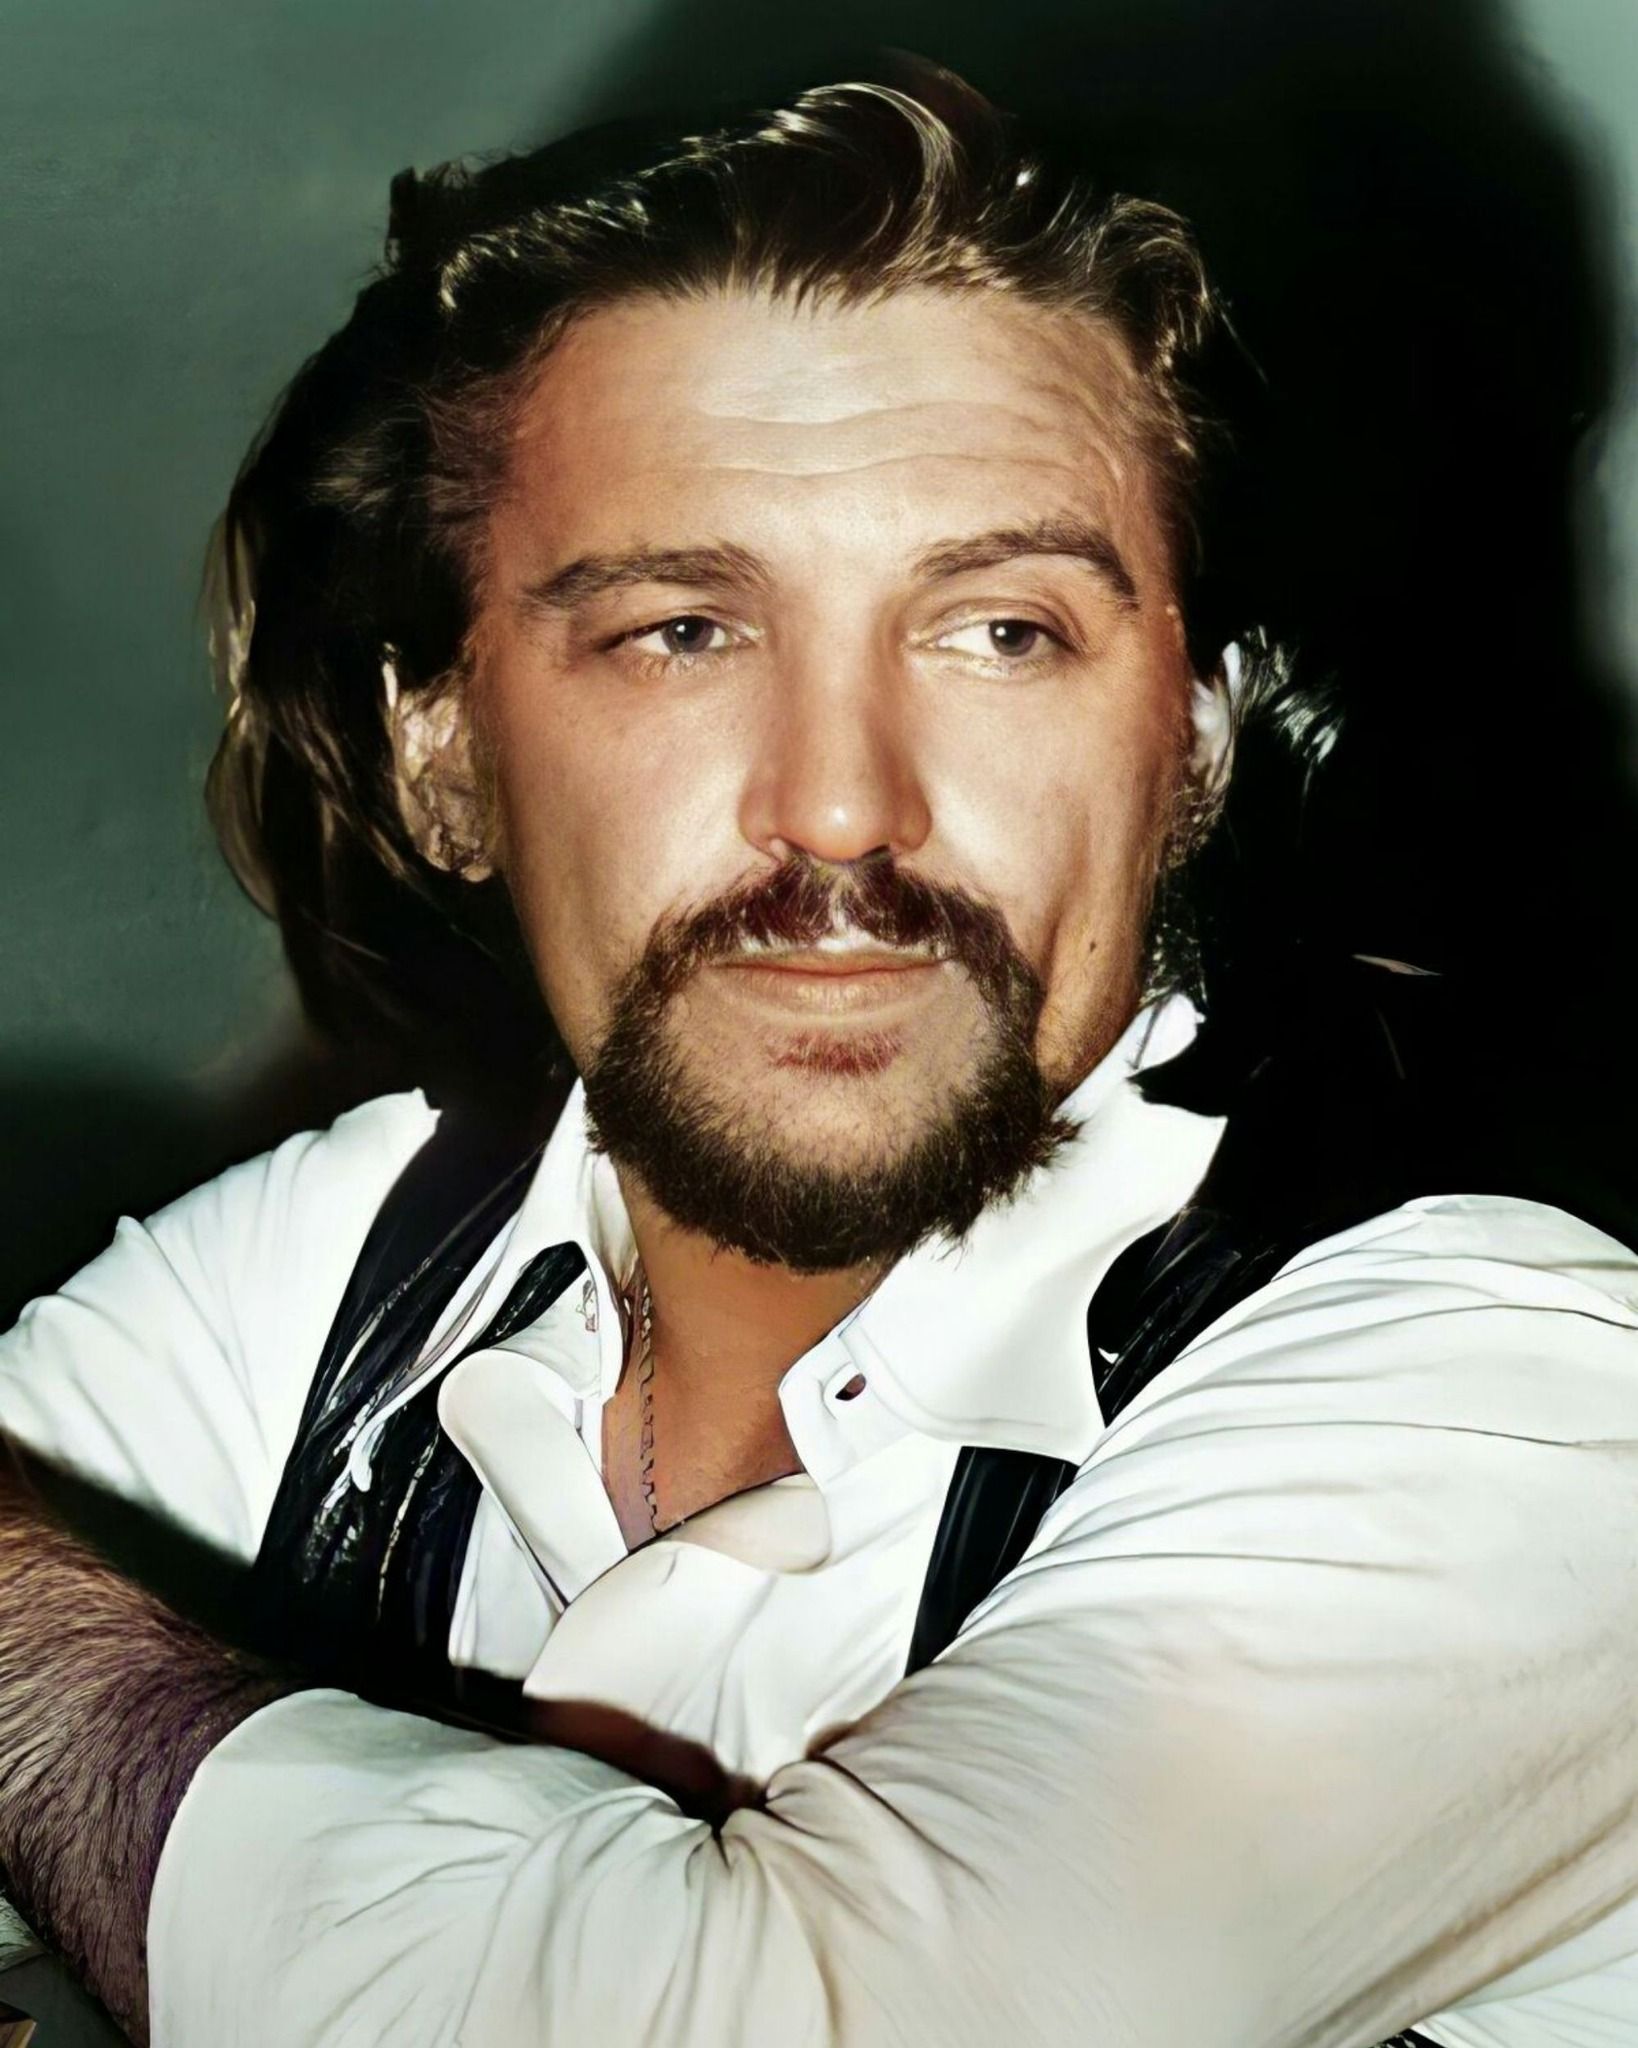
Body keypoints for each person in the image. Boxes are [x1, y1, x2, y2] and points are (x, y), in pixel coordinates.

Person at [1, 66, 1636, 2048]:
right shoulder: (334, 1286)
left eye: (1001, 631)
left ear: (1195, 747)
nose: (844, 806)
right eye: (683, 631)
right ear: (449, 756)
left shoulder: (1521, 1385)